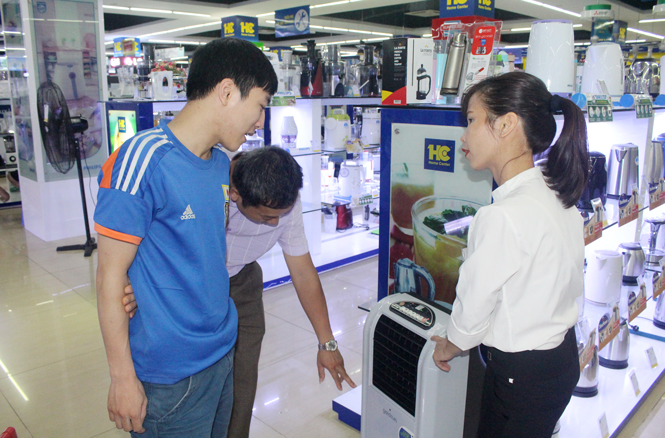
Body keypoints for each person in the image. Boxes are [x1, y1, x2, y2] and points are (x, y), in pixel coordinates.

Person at [94, 38, 277, 437]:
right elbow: (109, 276)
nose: (260, 122)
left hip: (220, 352)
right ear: (227, 92)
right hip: (170, 377)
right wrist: (122, 378)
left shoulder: (221, 166)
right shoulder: (143, 159)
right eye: (260, 105)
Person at [123, 146, 356, 438]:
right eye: (266, 217)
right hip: (188, 285)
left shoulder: (283, 198)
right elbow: (145, 233)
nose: (275, 223)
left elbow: (303, 272)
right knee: (196, 387)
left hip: (242, 282)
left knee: (241, 386)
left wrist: (327, 343)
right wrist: (142, 281)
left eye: (280, 215)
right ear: (235, 195)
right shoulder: (208, 182)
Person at [431, 72, 588, 438]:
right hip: (559, 359)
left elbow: (474, 306)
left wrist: (450, 345)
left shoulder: (501, 215)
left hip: (523, 375)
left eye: (472, 120)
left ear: (505, 125)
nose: (464, 136)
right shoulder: (554, 193)